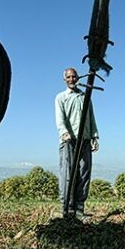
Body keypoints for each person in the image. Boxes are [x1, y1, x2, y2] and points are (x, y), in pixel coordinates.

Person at [55, 67, 99, 220]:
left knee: (83, 173)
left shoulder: (85, 96)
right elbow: (59, 119)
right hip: (68, 140)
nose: (72, 79)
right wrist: (64, 132)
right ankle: (67, 208)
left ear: (78, 78)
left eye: (74, 76)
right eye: (68, 77)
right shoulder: (61, 97)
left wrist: (94, 136)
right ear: (65, 80)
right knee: (67, 174)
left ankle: (80, 208)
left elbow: (91, 117)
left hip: (85, 139)